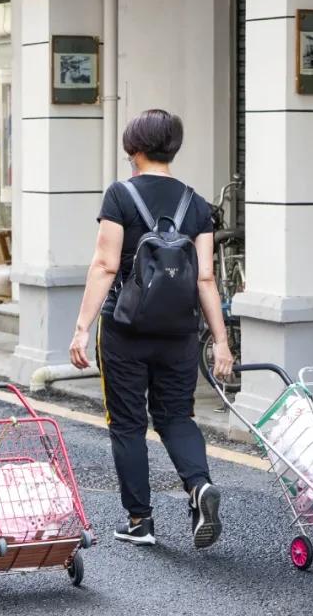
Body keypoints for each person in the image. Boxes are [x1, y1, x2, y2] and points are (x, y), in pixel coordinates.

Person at [69, 109, 235, 548]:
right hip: (180, 331)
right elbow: (204, 278)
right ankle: (199, 486)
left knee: (127, 424)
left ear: (134, 149)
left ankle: (140, 521)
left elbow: (105, 264)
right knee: (176, 417)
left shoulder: (120, 196)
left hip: (125, 328)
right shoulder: (195, 203)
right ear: (172, 148)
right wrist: (220, 341)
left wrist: (82, 328)